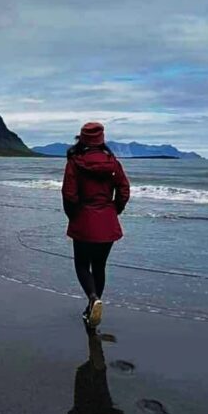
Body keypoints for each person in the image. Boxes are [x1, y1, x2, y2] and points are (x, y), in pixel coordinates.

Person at [61, 121, 130, 327]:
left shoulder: (75, 162)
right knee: (99, 266)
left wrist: (73, 216)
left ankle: (93, 299)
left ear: (82, 139)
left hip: (84, 218)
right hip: (107, 220)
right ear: (101, 139)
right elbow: (124, 189)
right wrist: (113, 210)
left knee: (82, 265)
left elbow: (69, 194)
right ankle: (94, 305)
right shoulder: (112, 161)